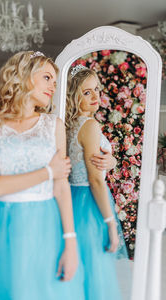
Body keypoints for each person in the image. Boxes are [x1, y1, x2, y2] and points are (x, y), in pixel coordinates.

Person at [0, 51, 85, 300]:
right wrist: (48, 171)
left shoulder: (54, 125)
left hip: (45, 222)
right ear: (23, 76)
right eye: (47, 77)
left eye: (55, 80)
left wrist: (71, 242)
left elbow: (61, 187)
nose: (54, 85)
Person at [66, 64, 129, 300]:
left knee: (77, 271)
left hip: (70, 198)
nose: (95, 97)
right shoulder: (90, 126)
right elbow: (95, 180)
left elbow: (93, 163)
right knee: (92, 273)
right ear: (74, 96)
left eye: (97, 90)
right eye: (86, 92)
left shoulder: (69, 124)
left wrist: (111, 161)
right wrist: (111, 225)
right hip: (89, 202)